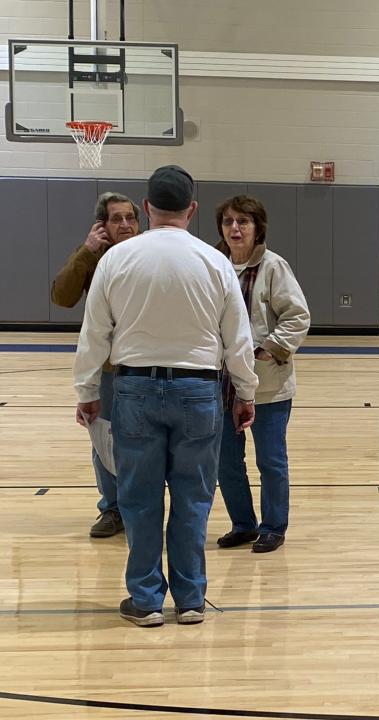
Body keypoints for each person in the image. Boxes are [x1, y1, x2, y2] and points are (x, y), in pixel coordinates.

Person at [74, 165, 258, 627]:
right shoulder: (215, 262)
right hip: (199, 391)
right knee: (194, 498)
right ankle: (191, 599)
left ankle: (146, 600)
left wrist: (88, 391)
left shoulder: (117, 259)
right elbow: (237, 338)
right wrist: (246, 394)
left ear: (147, 208)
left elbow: (93, 333)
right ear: (192, 210)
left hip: (133, 388)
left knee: (138, 499)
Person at [213, 195, 310, 554]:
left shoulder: (274, 267)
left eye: (243, 221)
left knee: (269, 459)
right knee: (226, 461)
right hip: (219, 386)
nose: (235, 228)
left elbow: (298, 316)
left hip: (268, 385)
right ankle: (243, 524)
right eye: (228, 222)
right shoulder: (212, 264)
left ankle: (273, 526)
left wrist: (268, 347)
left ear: (258, 228)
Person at [52, 192, 141, 538]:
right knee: (104, 440)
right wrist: (86, 251)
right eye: (116, 219)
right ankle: (112, 508)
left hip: (143, 366)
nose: (125, 225)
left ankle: (142, 506)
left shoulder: (148, 253)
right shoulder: (92, 257)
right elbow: (62, 297)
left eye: (130, 218)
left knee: (145, 441)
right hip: (107, 370)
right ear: (101, 225)